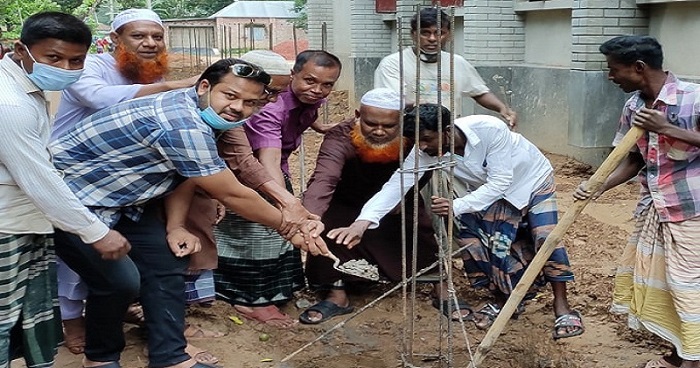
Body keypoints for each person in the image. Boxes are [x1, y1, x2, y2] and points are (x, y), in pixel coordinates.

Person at [49, 57, 328, 368]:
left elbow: (183, 173)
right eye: (230, 96)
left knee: (166, 261)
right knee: (118, 281)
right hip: (72, 202)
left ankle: (170, 356)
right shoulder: (184, 122)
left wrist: (176, 226)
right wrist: (288, 226)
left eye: (250, 102)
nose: (238, 108)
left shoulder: (204, 111)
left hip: (124, 200)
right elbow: (230, 192)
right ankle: (101, 358)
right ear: (204, 86)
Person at [51, 8, 205, 357]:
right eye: (138, 36)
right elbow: (98, 98)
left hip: (129, 180)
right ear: (116, 39)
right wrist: (171, 86)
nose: (149, 43)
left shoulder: (150, 70)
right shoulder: (91, 66)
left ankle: (156, 330)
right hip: (78, 177)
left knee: (147, 255)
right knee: (79, 260)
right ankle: (74, 322)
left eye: (156, 36)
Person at [354, 104, 583, 338]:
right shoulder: (425, 149)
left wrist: (456, 207)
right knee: (478, 242)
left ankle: (561, 305)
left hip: (532, 182)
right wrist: (364, 220)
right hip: (489, 193)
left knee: (546, 237)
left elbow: (501, 181)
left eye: (426, 139)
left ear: (445, 131)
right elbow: (398, 183)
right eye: (416, 141)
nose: (422, 146)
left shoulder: (489, 128)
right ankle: (506, 299)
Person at [0, 12, 130, 368]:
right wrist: (95, 232)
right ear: (21, 50)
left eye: (76, 60)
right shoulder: (9, 103)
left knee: (25, 310)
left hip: (29, 219)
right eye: (53, 58)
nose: (66, 68)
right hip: (7, 224)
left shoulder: (29, 88)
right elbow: (36, 176)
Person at [575, 35, 700, 368]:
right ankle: (680, 350)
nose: (610, 77)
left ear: (639, 68)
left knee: (688, 286)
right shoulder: (633, 106)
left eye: (614, 70)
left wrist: (669, 128)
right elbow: (634, 160)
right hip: (656, 210)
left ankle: (692, 359)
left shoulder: (693, 99)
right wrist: (598, 186)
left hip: (692, 213)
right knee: (663, 284)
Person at [300, 88, 473, 324]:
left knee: (418, 229)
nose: (379, 131)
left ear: (402, 120)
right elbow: (324, 178)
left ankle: (441, 287)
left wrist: (404, 198)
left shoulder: (415, 136)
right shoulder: (340, 137)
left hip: (398, 199)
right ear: (358, 115)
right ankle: (336, 294)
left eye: (389, 126)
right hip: (347, 200)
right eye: (370, 124)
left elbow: (421, 171)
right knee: (329, 227)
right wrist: (311, 217)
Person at [182, 49, 317, 329]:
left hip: (242, 178)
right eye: (268, 92)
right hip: (223, 179)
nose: (271, 99)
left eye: (277, 92)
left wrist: (287, 203)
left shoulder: (248, 109)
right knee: (250, 241)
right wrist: (284, 208)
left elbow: (244, 159)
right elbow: (252, 161)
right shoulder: (242, 111)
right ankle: (249, 299)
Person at [212, 50, 341, 327]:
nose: (317, 89)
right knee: (258, 239)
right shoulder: (270, 109)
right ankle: (251, 301)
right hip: (247, 175)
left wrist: (319, 126)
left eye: (326, 84)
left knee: (279, 239)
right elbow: (263, 161)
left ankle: (274, 292)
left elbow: (309, 111)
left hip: (273, 169)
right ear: (293, 75)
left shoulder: (310, 94)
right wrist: (285, 203)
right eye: (309, 81)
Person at [374, 7, 516, 126]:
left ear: (448, 35)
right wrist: (429, 109)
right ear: (413, 34)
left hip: (449, 135)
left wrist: (502, 108)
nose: (432, 39)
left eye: (439, 33)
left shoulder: (457, 63)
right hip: (410, 134)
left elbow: (479, 92)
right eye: (425, 33)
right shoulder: (393, 64)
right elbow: (393, 100)